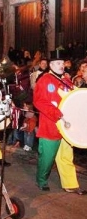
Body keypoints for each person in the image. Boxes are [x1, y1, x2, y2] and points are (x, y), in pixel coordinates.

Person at [33, 50, 86, 194]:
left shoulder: (66, 80)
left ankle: (70, 184)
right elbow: (39, 102)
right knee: (47, 159)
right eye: (57, 63)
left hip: (67, 127)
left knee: (66, 156)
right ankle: (41, 180)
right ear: (50, 65)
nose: (61, 65)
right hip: (51, 126)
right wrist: (58, 114)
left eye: (62, 63)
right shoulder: (44, 80)